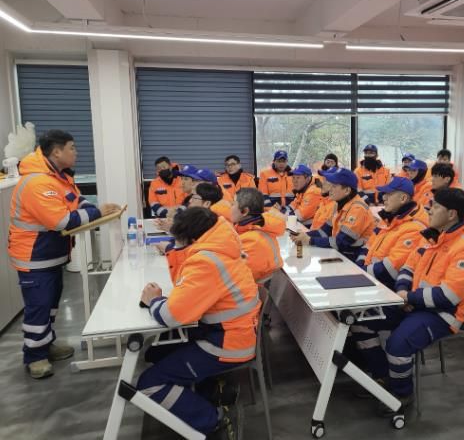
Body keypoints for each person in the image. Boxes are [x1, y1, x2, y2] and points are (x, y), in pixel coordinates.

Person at [351, 188, 464, 414]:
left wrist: (409, 298)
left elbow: (448, 296)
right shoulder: (432, 237)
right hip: (412, 304)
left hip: (442, 314)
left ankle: (402, 394)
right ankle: (383, 375)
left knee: (397, 345)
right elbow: (407, 268)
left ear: (451, 214)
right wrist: (403, 292)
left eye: (435, 207)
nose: (429, 210)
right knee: (360, 320)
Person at [137, 207, 259, 438]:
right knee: (155, 352)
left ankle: (213, 421)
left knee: (149, 383)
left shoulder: (206, 261)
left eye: (177, 240)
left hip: (228, 344)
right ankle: (211, 391)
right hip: (229, 333)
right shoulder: (221, 247)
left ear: (192, 239)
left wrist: (154, 301)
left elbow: (170, 316)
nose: (174, 245)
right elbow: (185, 291)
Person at [8, 130, 120, 379]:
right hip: (34, 257)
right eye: (72, 147)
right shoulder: (37, 183)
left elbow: (77, 201)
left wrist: (92, 208)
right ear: (57, 152)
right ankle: (35, 357)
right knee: (39, 308)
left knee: (50, 306)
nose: (76, 152)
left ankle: (46, 345)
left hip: (51, 255)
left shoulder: (59, 178)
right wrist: (98, 212)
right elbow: (61, 220)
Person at [355, 177, 427, 288]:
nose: (384, 197)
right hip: (370, 279)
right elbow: (368, 246)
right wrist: (359, 266)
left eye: (389, 194)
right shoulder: (390, 218)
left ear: (403, 198)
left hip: (387, 288)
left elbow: (391, 269)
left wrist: (361, 273)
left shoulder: (415, 228)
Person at [290, 168, 374, 261]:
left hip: (354, 258)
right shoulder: (338, 204)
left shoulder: (358, 209)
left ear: (347, 190)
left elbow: (341, 242)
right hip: (341, 254)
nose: (330, 189)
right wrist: (302, 236)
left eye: (334, 186)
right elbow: (324, 232)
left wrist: (310, 240)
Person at [232, 188, 285, 285]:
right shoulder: (252, 229)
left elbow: (238, 278)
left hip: (257, 290)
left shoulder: (252, 240)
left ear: (244, 211)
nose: (229, 208)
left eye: (233, 204)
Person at [307, 170, 337, 240]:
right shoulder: (323, 202)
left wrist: (308, 238)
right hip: (314, 239)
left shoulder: (335, 206)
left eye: (326, 180)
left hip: (319, 243)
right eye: (323, 179)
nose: (323, 183)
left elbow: (326, 234)